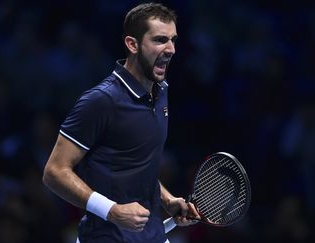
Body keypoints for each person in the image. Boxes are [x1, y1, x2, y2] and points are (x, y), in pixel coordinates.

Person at [43, 2, 200, 242]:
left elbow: (136, 167)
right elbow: (54, 172)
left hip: (153, 236)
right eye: (160, 40)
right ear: (132, 44)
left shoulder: (161, 91)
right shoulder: (101, 100)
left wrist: (167, 200)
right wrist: (112, 211)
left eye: (173, 40)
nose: (171, 49)